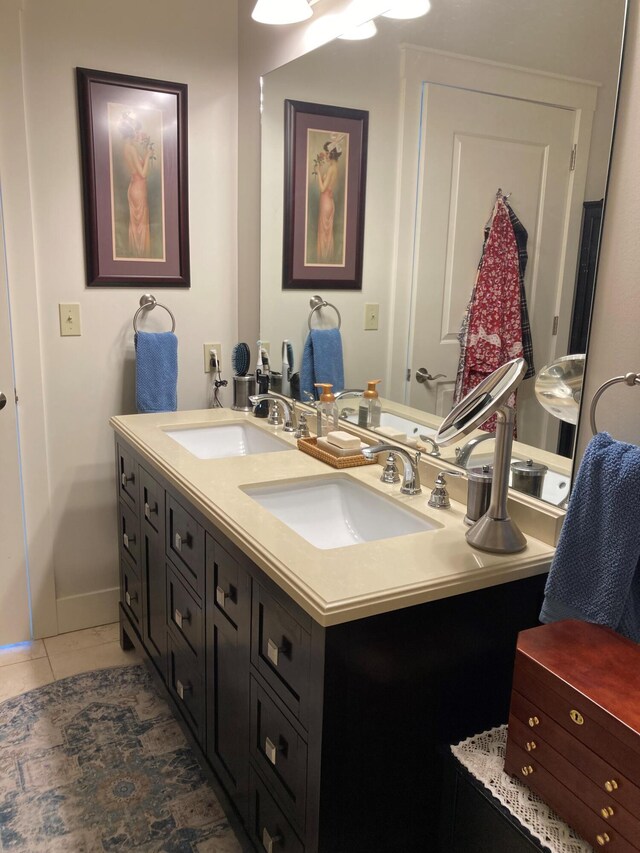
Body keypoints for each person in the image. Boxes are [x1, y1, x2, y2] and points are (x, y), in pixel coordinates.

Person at [119, 112, 155, 258]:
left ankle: (138, 254)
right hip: (138, 189)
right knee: (140, 224)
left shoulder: (126, 148)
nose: (137, 134)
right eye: (135, 131)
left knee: (137, 224)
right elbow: (143, 173)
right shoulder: (131, 149)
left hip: (135, 187)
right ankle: (140, 254)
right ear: (130, 132)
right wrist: (146, 156)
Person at [316, 140, 342, 263]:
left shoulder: (332, 169)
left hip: (326, 202)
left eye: (327, 153)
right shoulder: (334, 168)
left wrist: (317, 172)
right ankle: (326, 260)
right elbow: (327, 186)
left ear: (331, 154)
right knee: (327, 233)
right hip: (329, 202)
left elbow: (322, 188)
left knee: (324, 233)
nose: (325, 155)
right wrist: (320, 172)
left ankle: (324, 259)